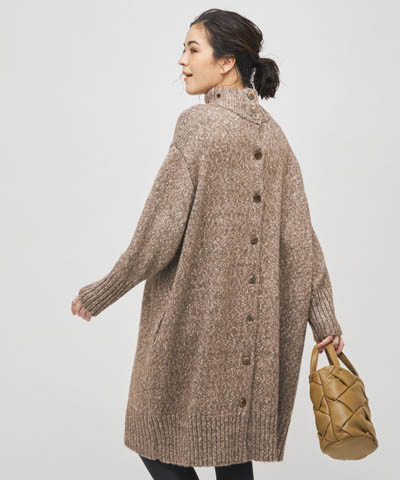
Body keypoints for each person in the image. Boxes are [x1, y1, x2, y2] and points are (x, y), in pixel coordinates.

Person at [71, 8, 344, 479]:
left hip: (193, 327)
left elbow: (158, 234)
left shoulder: (198, 126)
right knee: (232, 454)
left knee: (153, 438)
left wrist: (102, 291)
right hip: (251, 344)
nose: (182, 60)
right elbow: (303, 240)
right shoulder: (276, 137)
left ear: (226, 62)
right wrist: (325, 319)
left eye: (192, 49)